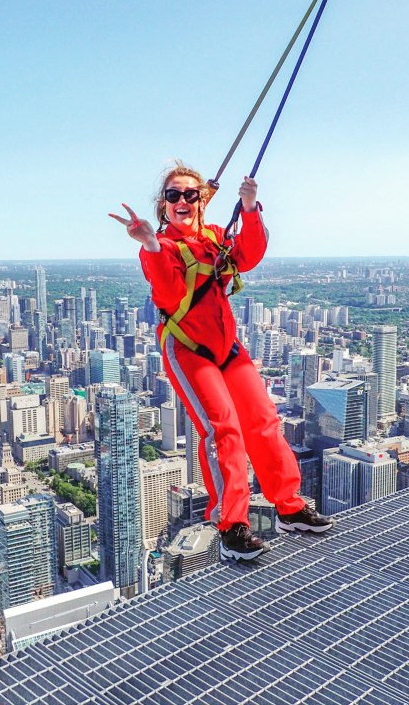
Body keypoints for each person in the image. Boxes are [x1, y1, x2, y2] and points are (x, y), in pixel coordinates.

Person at [110, 163, 334, 561]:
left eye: (190, 194)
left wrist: (249, 207)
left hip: (226, 345)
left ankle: (289, 505)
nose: (182, 200)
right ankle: (231, 526)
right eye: (174, 195)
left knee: (263, 420)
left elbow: (248, 256)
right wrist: (149, 243)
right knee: (222, 429)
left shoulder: (215, 237)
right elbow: (167, 293)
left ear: (202, 200)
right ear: (164, 205)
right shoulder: (163, 247)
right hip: (187, 348)